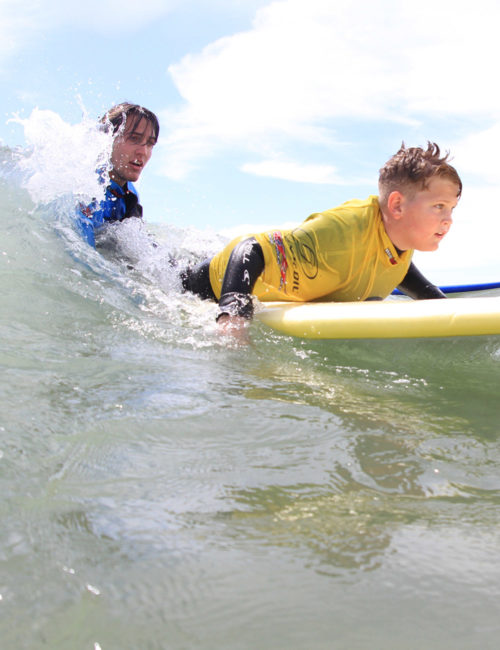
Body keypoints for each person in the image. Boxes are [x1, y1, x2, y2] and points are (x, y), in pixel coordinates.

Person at [181, 142, 462, 333]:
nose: (448, 219)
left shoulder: (398, 240)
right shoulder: (341, 233)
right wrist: (234, 312)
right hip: (201, 288)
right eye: (438, 206)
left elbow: (400, 270)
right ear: (397, 205)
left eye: (451, 208)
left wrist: (442, 307)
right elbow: (251, 249)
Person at [77, 102, 159, 247]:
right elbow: (81, 253)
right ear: (108, 139)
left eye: (150, 144)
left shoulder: (129, 195)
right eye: (134, 139)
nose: (143, 152)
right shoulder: (86, 189)